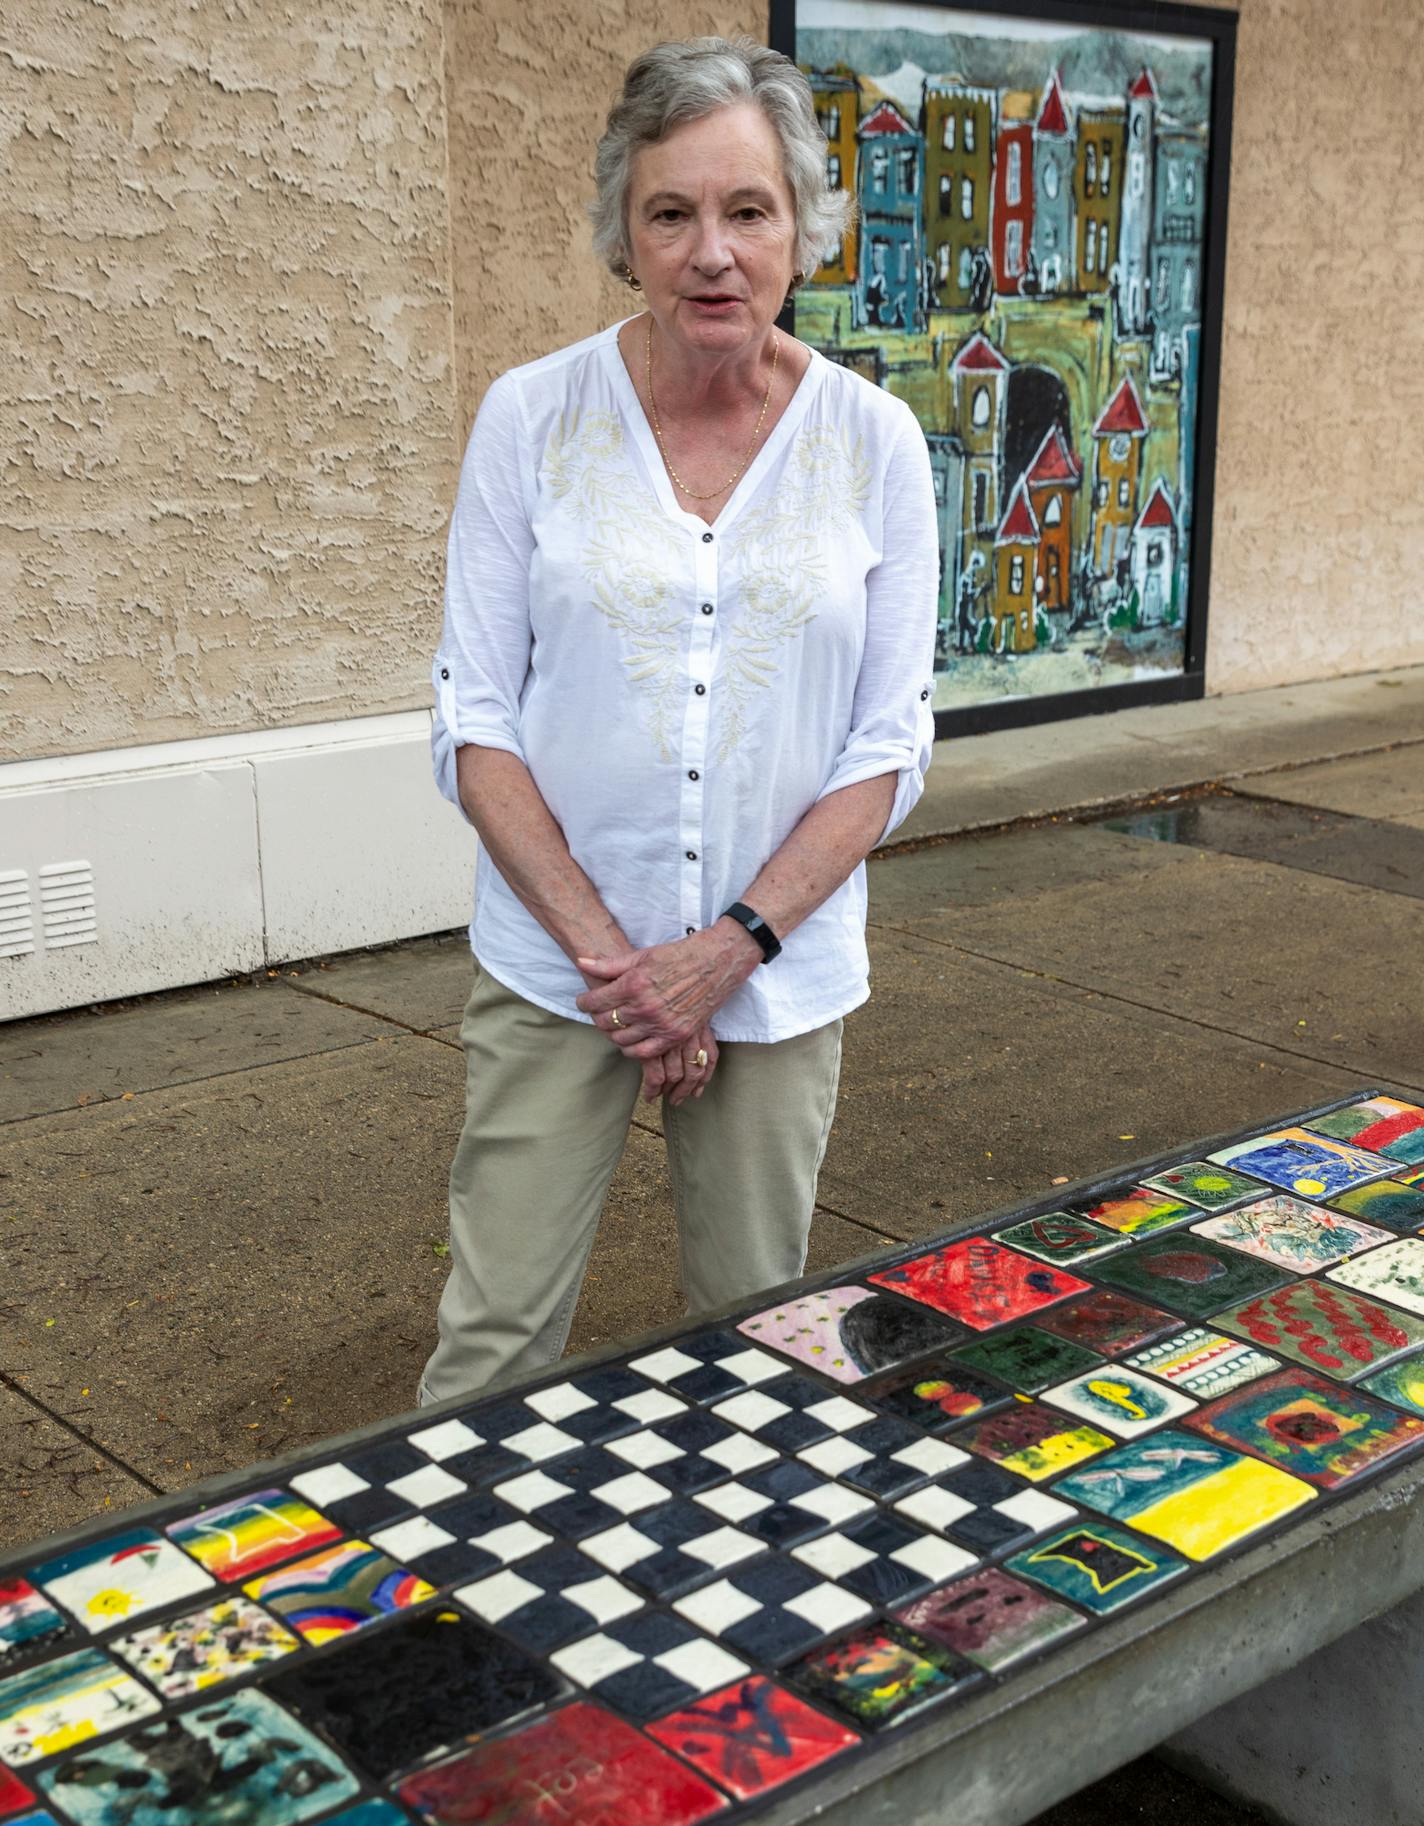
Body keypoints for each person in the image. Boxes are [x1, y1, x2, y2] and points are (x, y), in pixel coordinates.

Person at [419, 35, 939, 1406]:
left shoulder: (876, 444)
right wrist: (621, 966)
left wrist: (724, 954)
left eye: (748, 210)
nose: (712, 251)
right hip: (556, 966)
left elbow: (889, 747)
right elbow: (476, 717)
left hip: (776, 980)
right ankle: (443, 1617)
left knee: (761, 1344)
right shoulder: (531, 418)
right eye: (672, 212)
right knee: (491, 1347)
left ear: (804, 229)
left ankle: (758, 1613)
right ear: (625, 233)